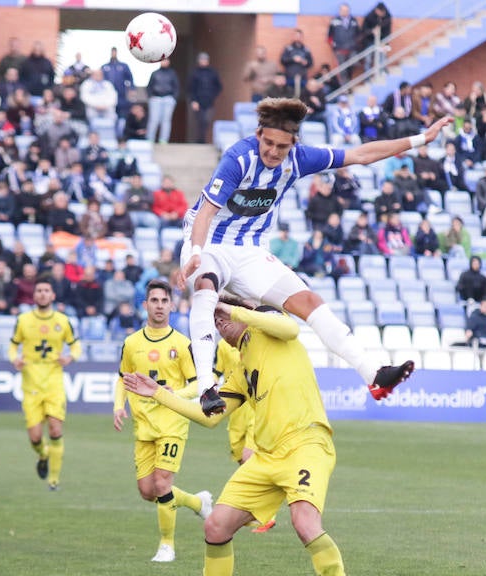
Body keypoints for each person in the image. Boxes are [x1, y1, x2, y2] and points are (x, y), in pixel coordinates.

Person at [180, 97, 440, 411]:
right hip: (208, 243)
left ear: (295, 143)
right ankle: (207, 387)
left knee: (310, 302)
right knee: (206, 288)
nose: (274, 152)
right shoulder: (238, 158)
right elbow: (206, 211)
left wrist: (420, 139)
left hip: (250, 250)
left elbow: (360, 154)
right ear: (259, 133)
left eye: (282, 147)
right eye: (269, 143)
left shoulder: (301, 159)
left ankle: (374, 374)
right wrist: (195, 251)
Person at [122, 299, 347, 576]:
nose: (219, 320)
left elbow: (291, 328)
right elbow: (211, 416)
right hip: (266, 457)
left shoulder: (271, 332)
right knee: (215, 526)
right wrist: (158, 393)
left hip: (306, 443)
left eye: (222, 313)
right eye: (215, 319)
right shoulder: (240, 372)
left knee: (305, 523)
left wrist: (234, 309)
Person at [112, 279, 212, 563]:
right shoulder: (131, 343)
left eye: (164, 301)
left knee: (162, 484)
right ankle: (197, 501)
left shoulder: (182, 344)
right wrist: (119, 406)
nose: (159, 305)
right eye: (153, 300)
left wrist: (173, 394)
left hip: (172, 423)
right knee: (147, 491)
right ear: (145, 305)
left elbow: (197, 385)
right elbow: (123, 379)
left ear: (171, 304)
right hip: (143, 425)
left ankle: (167, 545)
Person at [8, 276, 82, 491]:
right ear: (34, 294)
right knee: (35, 437)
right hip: (31, 384)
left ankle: (54, 479)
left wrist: (70, 357)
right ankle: (43, 453)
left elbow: (76, 346)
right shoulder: (23, 321)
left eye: (46, 290)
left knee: (56, 429)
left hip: (54, 383)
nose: (42, 293)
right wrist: (15, 359)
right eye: (38, 290)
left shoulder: (62, 321)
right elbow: (13, 347)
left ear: (52, 295)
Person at [188, 53, 223, 144]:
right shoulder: (194, 73)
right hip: (198, 102)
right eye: (201, 59)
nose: (203, 61)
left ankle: (202, 139)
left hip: (209, 102)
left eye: (205, 60)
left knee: (207, 121)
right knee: (200, 121)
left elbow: (219, 86)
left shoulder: (213, 73)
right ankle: (200, 140)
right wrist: (193, 101)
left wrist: (213, 96)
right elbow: (190, 88)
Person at [145, 58, 180, 144]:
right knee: (154, 119)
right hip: (156, 98)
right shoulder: (155, 73)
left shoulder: (172, 74)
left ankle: (163, 140)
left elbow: (176, 87)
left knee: (166, 120)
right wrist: (151, 97)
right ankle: (150, 139)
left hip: (168, 99)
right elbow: (149, 86)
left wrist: (174, 98)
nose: (164, 62)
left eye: (166, 60)